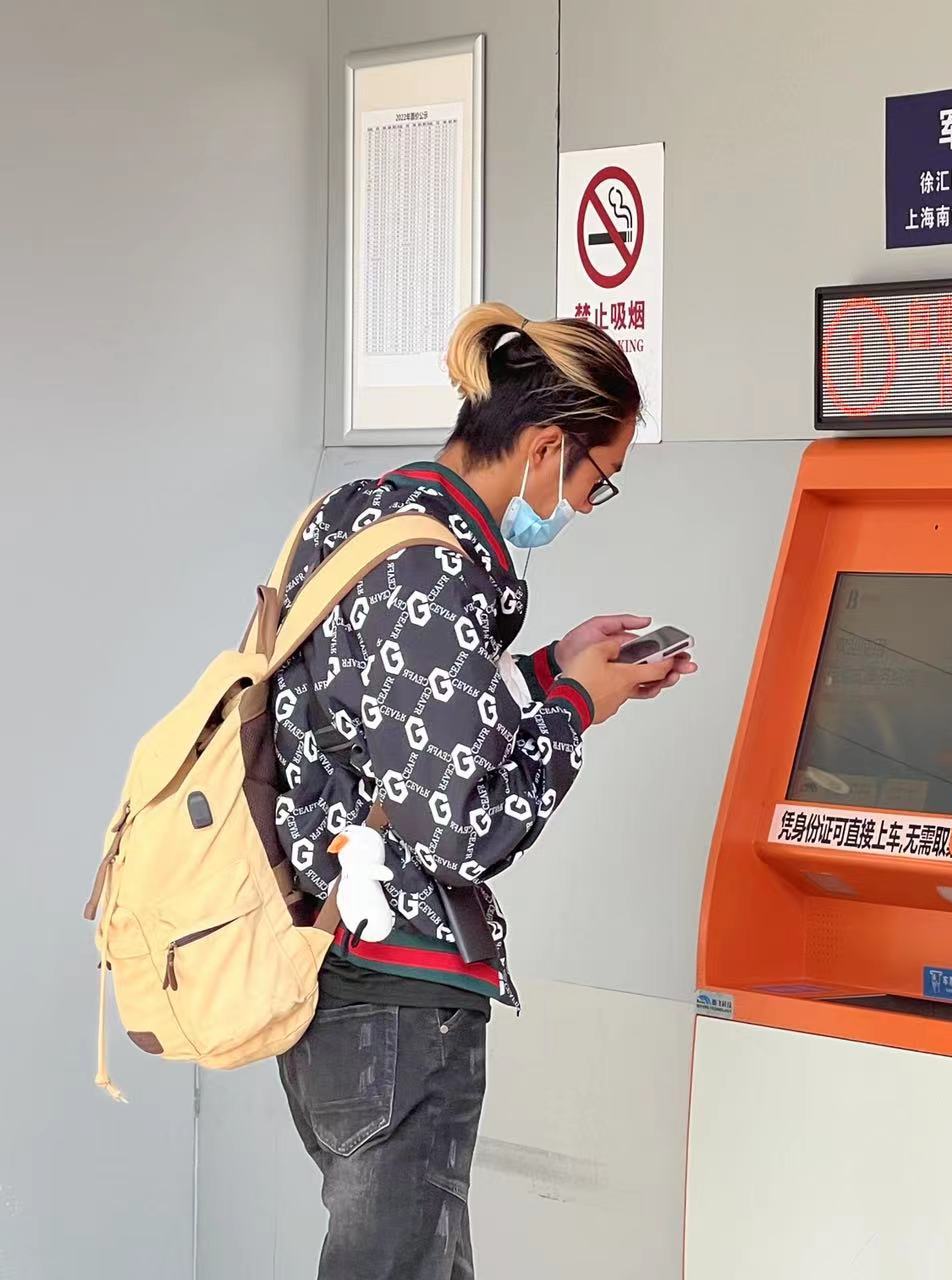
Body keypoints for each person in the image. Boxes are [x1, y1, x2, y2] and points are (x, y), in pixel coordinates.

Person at [271, 301, 691, 1279]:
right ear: (545, 447)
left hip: (330, 969)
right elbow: (465, 829)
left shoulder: (359, 517)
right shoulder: (437, 568)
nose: (587, 503)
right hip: (396, 997)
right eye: (597, 478)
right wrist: (578, 707)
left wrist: (549, 669)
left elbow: (389, 717)